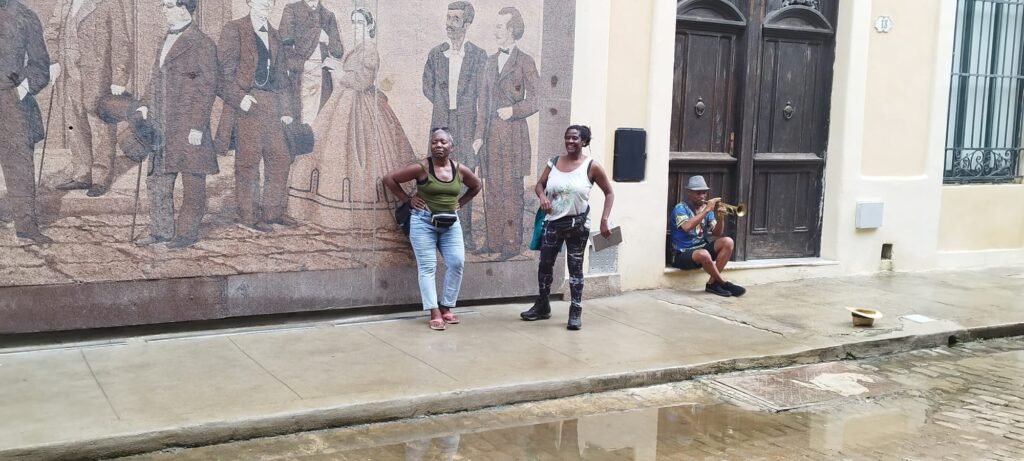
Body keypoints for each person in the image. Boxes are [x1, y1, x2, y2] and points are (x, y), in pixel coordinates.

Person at [288, 7, 418, 231]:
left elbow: (363, 81)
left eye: (359, 23)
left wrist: (338, 70)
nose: (355, 27)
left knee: (363, 156)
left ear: (369, 26)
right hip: (344, 102)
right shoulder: (359, 48)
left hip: (362, 106)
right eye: (353, 23)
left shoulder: (369, 50)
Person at [134, 0, 218, 248]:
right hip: (161, 125)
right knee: (158, 180)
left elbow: (207, 89)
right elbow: (156, 77)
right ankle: (160, 232)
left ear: (184, 8)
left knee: (193, 182)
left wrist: (197, 127)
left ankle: (186, 234)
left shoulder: (202, 43)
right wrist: (145, 103)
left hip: (188, 125)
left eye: (169, 5)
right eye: (164, 5)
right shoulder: (165, 39)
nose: (164, 10)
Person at [383, 128, 482, 331]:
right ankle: (434, 311)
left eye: (443, 142)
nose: (438, 145)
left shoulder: (460, 169)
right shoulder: (421, 168)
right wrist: (408, 200)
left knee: (456, 263)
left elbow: (476, 185)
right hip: (423, 222)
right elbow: (389, 179)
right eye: (435, 142)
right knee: (428, 267)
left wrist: (461, 203)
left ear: (451, 147)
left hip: (450, 223)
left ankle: (446, 306)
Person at [520, 125, 614, 331]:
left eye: (575, 138)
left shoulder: (591, 166)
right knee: (545, 265)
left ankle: (575, 310)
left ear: (584, 141)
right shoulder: (554, 162)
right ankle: (543, 304)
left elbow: (609, 192)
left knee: (575, 269)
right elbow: (539, 185)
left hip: (577, 225)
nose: (570, 142)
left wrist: (604, 219)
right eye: (567, 138)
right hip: (553, 223)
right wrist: (543, 197)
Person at [217, 0, 298, 233]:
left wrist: (286, 111)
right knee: (248, 161)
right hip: (247, 103)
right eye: (261, 3)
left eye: (269, 4)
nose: (266, 8)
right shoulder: (234, 29)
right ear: (250, 3)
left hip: (272, 104)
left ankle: (272, 212)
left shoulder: (274, 34)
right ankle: (247, 215)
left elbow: (282, 78)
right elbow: (222, 73)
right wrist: (239, 97)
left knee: (280, 158)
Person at [47, 0, 132, 197]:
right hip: (69, 75)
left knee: (100, 127)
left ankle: (101, 177)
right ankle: (82, 174)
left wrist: (119, 78)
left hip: (97, 76)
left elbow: (121, 41)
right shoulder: (65, 2)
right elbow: (51, 32)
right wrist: (53, 60)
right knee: (74, 124)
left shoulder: (109, 3)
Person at [473, 6, 539, 259]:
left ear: (512, 30)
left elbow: (538, 98)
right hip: (490, 136)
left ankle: (511, 244)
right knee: (492, 189)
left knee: (511, 190)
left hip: (513, 136)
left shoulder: (525, 61)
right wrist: (478, 136)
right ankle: (493, 242)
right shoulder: (489, 62)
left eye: (500, 27)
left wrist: (513, 110)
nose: (496, 31)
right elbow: (483, 103)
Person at [422, 1, 487, 250]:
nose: (449, 24)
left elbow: (483, 94)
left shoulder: (478, 56)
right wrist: (443, 106)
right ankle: (435, 232)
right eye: (448, 18)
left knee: (464, 176)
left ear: (467, 24)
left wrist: (474, 128)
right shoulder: (436, 54)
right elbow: (427, 86)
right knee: (436, 177)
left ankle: (465, 235)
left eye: (456, 19)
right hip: (441, 123)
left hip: (467, 126)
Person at [1, 0, 52, 243]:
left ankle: (26, 226)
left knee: (19, 165)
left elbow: (40, 65)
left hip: (10, 101)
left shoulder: (25, 16)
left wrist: (20, 91)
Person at [668, 175, 746, 297]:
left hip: (702, 250)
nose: (702, 196)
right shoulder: (680, 208)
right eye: (698, 193)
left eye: (704, 193)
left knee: (728, 242)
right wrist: (707, 210)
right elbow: (687, 227)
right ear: (689, 193)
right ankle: (723, 283)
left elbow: (717, 233)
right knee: (703, 254)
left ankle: (712, 283)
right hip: (681, 254)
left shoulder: (706, 209)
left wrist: (720, 217)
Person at [279, 0, 343, 124]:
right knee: (303, 122)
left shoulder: (328, 15)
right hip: (301, 75)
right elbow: (283, 47)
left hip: (323, 77)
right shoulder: (292, 10)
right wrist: (302, 65)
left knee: (322, 123)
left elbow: (338, 52)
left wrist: (328, 39)